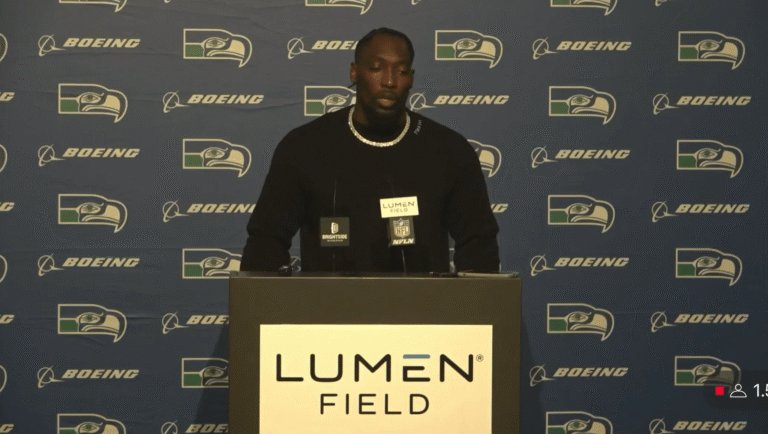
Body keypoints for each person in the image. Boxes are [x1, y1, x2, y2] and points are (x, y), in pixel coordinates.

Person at [240, 28, 499, 273]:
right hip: (326, 312)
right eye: (376, 68)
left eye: (401, 71)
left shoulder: (449, 150)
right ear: (354, 73)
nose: (388, 81)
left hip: (422, 313)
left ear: (411, 79)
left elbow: (479, 244)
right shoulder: (305, 147)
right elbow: (266, 243)